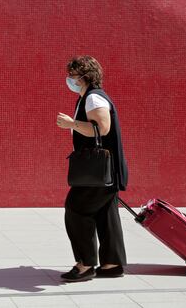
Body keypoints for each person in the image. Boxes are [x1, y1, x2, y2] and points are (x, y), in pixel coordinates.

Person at [55, 55, 128, 282]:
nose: (69, 79)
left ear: (84, 76)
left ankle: (85, 264)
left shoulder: (94, 99)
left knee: (76, 208)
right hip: (106, 171)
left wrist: (71, 124)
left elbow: (101, 129)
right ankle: (112, 264)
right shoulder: (88, 97)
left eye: (73, 75)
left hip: (98, 171)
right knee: (106, 214)